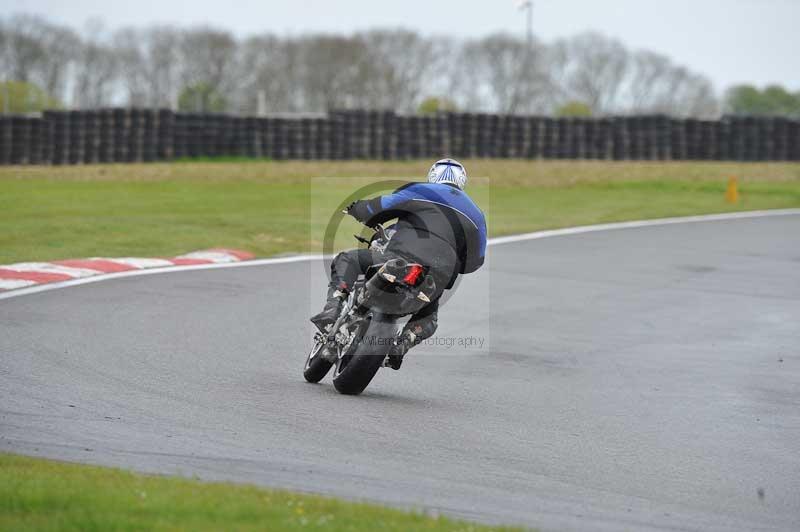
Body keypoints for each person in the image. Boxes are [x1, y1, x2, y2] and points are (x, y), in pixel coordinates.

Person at [311, 158, 487, 370]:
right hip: (437, 275)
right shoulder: (477, 215)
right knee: (429, 316)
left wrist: (358, 209)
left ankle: (332, 310)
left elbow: (378, 208)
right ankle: (402, 343)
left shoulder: (420, 190)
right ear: (462, 182)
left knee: (347, 259)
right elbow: (475, 261)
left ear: (432, 176)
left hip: (400, 256)